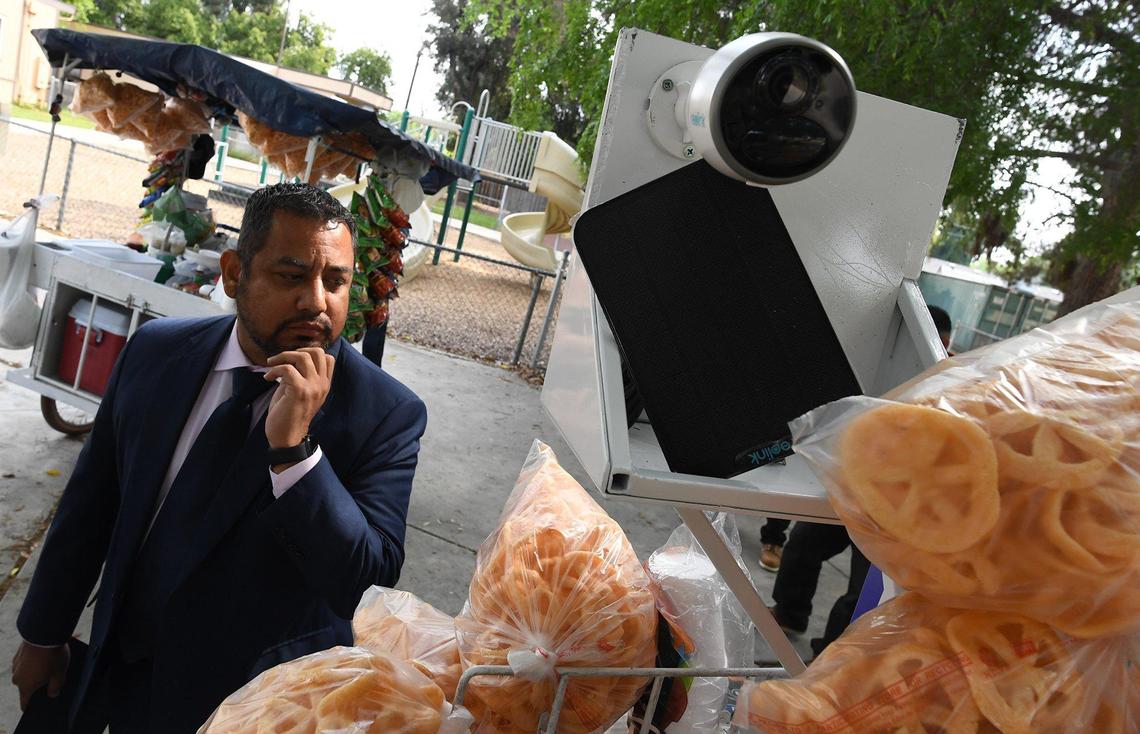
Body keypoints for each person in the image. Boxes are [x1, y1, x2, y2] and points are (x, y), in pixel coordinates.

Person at [11, 183, 428, 733]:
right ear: (234, 274)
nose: (316, 301)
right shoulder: (157, 353)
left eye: (336, 281)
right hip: (114, 671)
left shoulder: (384, 414)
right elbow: (92, 505)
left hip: (248, 709)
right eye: (290, 275)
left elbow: (364, 585)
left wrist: (295, 454)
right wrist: (44, 633)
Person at [770, 305, 954, 656]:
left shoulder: (950, 383)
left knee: (860, 594)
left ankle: (826, 659)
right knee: (803, 543)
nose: (938, 351)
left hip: (894, 512)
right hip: (860, 489)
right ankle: (790, 613)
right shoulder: (885, 370)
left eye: (944, 344)